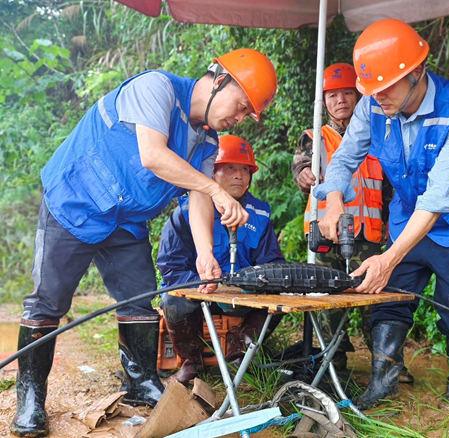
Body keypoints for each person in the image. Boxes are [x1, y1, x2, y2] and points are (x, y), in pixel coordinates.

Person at [11, 49, 277, 437]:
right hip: (76, 202)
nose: (239, 118)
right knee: (48, 302)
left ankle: (139, 381)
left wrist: (205, 253)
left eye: (246, 114)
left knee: (138, 302)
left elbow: (198, 197)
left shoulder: (207, 139)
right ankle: (31, 397)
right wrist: (218, 192)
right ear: (220, 79)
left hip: (127, 219)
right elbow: (153, 156)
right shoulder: (157, 88)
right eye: (240, 105)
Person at [313, 19, 449, 410]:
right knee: (387, 295)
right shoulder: (371, 107)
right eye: (371, 90)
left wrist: (388, 256)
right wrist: (332, 201)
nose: (377, 97)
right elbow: (345, 159)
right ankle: (384, 382)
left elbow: (437, 199)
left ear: (417, 72)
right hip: (408, 213)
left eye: (386, 87)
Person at [291, 63, 414, 382]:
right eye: (333, 95)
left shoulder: (379, 131)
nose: (340, 100)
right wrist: (304, 174)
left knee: (373, 296)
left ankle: (386, 363)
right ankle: (336, 363)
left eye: (347, 92)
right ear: (324, 101)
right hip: (326, 233)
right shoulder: (315, 135)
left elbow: (391, 183)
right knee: (329, 299)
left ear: (360, 95)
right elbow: (302, 168)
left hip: (369, 233)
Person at [157, 135, 286, 385]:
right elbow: (171, 269)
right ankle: (192, 362)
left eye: (245, 169)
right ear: (212, 173)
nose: (239, 175)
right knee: (172, 299)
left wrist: (251, 283)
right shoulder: (184, 213)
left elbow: (273, 265)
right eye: (230, 168)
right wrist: (203, 284)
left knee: (281, 295)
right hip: (202, 295)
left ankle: (239, 360)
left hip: (245, 297)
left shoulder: (259, 214)